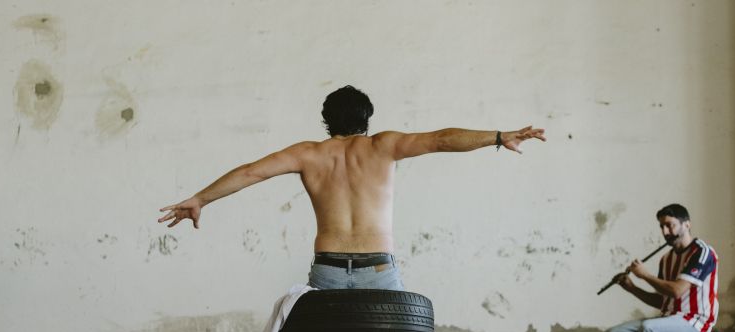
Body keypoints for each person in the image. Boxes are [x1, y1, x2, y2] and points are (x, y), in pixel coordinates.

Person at [158, 85, 545, 289]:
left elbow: (249, 173)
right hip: (378, 269)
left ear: (326, 120)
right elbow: (442, 140)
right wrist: (499, 136)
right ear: (367, 118)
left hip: (327, 270)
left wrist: (200, 198)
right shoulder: (384, 145)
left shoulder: (308, 154)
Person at [602, 204, 719, 332]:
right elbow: (663, 301)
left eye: (670, 225)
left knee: (650, 329)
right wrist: (632, 288)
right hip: (669, 318)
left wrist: (644, 275)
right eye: (662, 227)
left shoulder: (702, 253)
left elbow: (676, 291)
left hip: (695, 321)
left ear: (687, 224)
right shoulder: (666, 259)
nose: (665, 232)